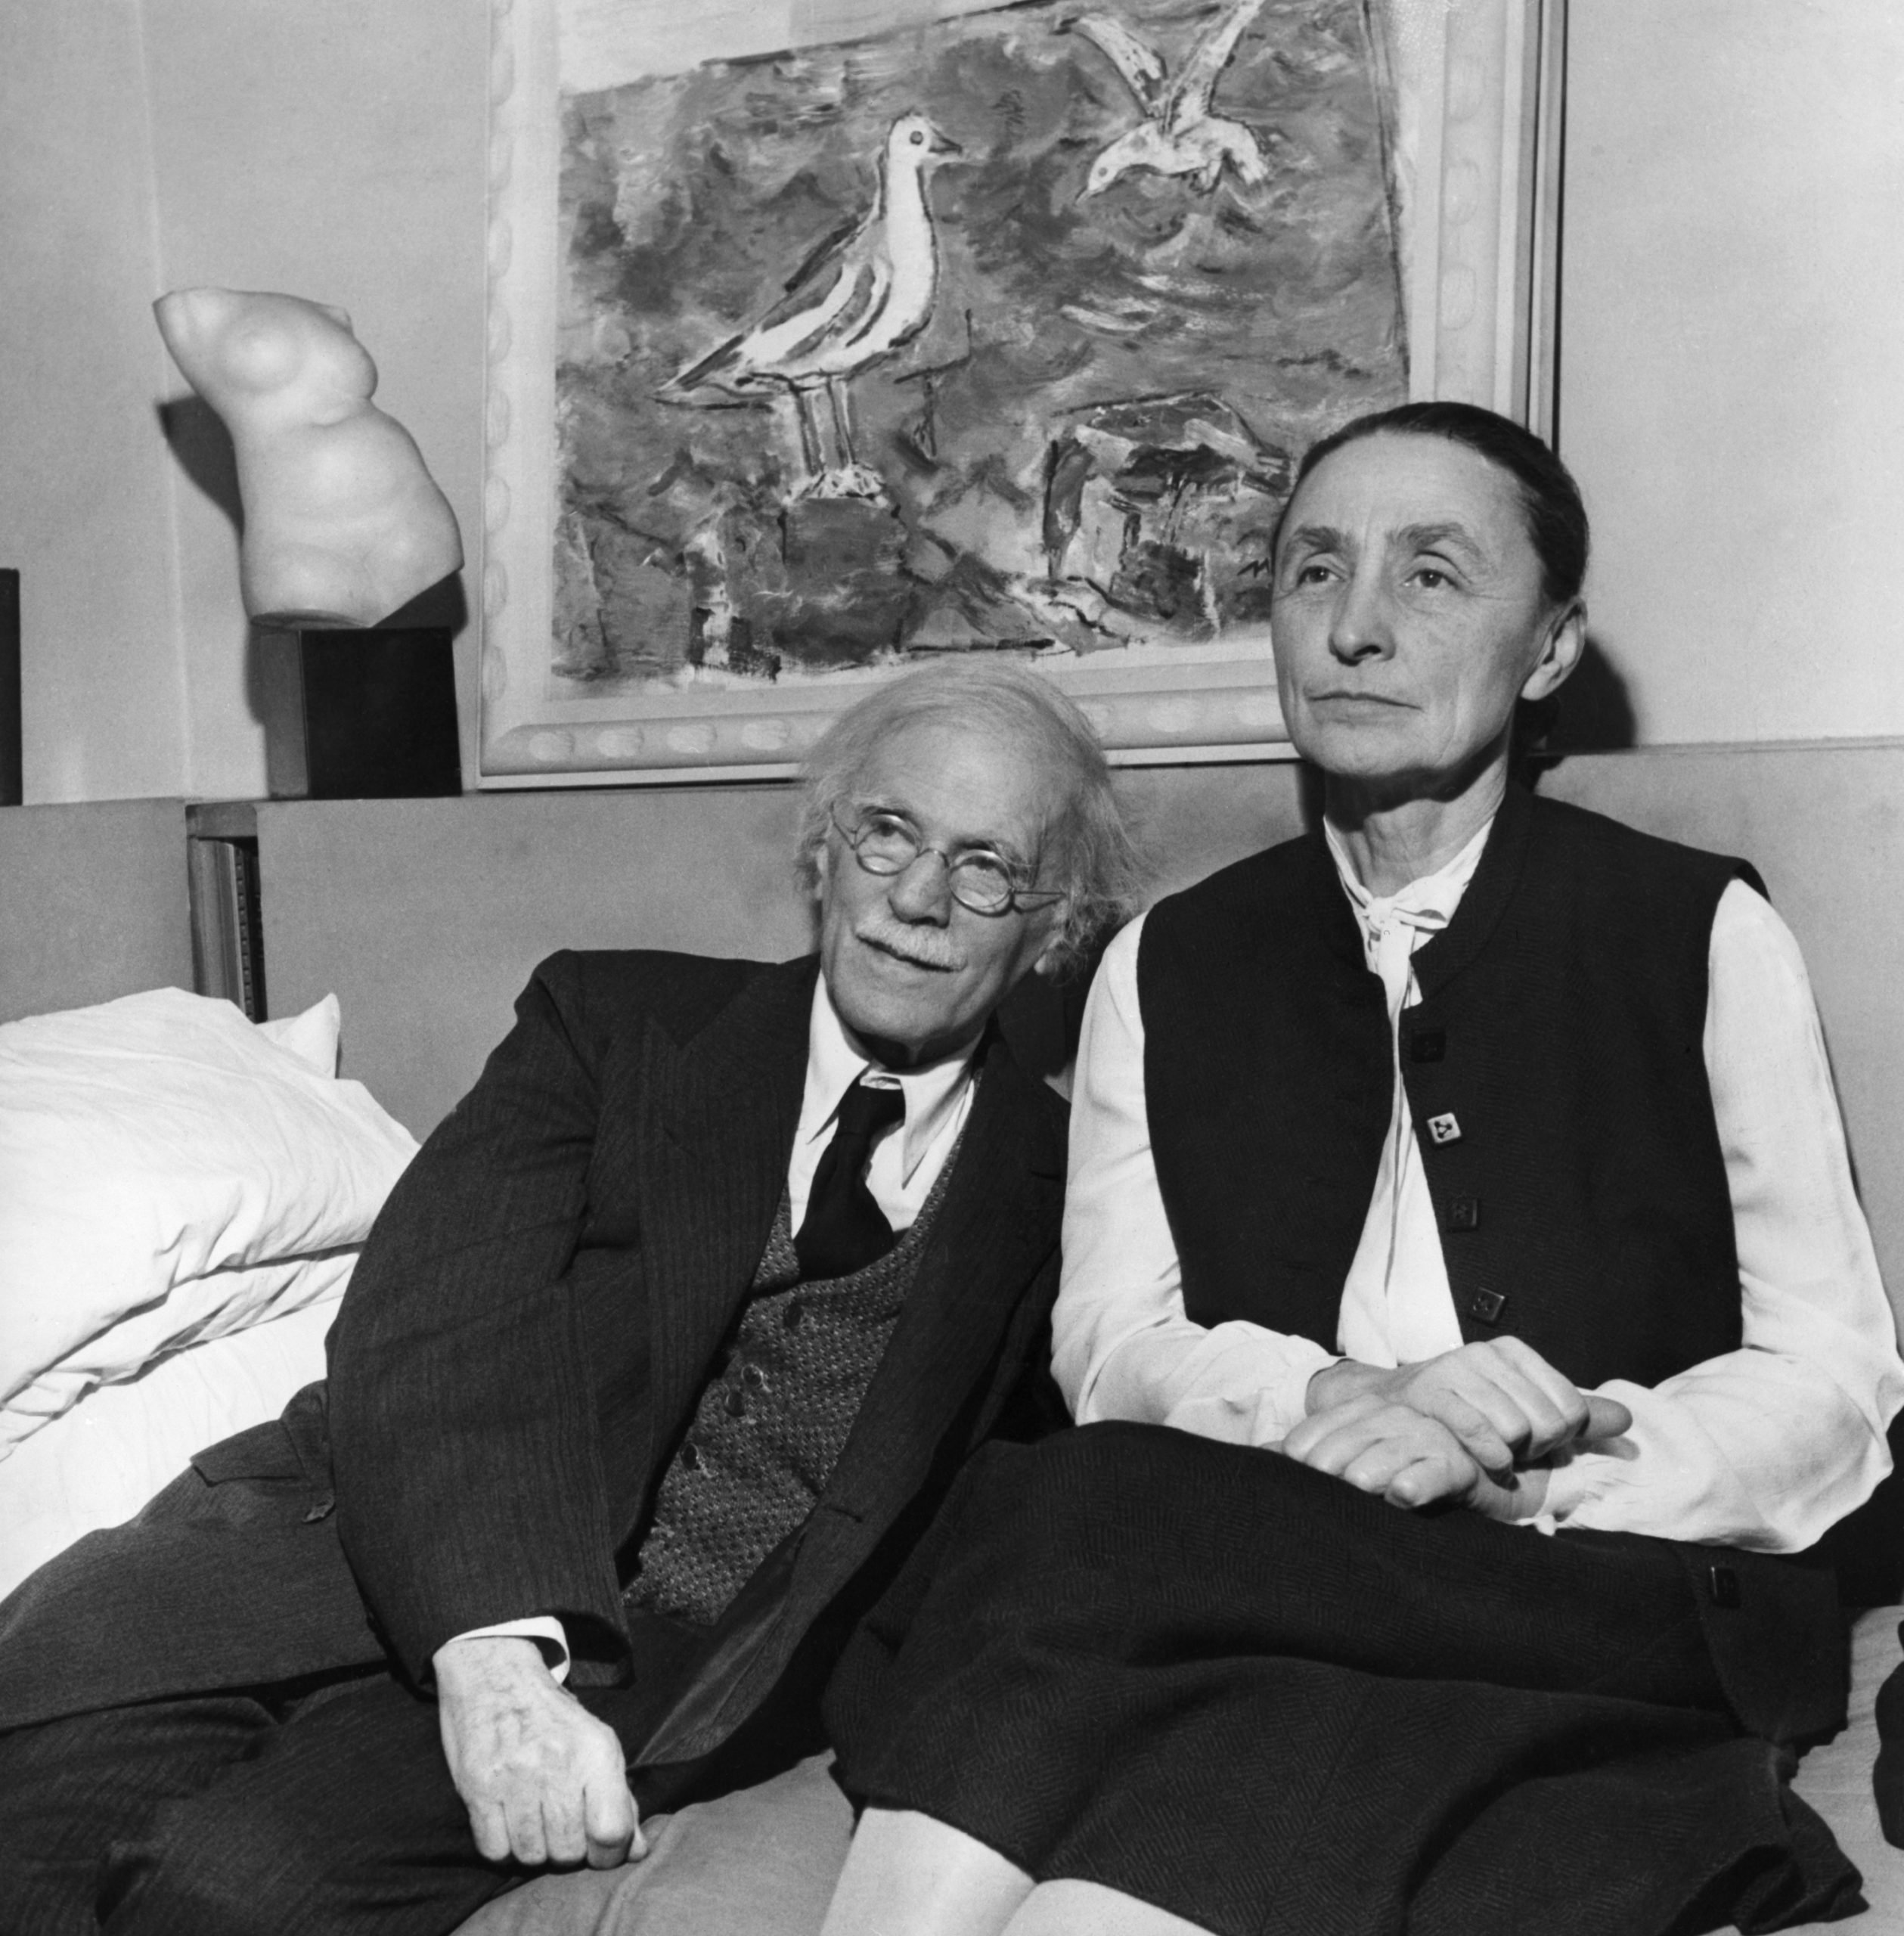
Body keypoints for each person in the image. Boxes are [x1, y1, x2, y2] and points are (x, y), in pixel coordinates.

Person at [816, 402, 1904, 1936]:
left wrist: (1547, 1448)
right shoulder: (1169, 961)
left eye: (1430, 578)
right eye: (1309, 573)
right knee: (1096, 1672)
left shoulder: (1695, 931)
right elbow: (1109, 1340)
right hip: (1271, 1560)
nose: (1353, 628)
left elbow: (1836, 1380)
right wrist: (1328, 1406)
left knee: (1071, 1528)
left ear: (1546, 649)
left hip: (1614, 1587)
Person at [0, 658, 1138, 1936]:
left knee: (232, 1890)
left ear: (1048, 928)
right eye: (889, 833)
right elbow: (434, 1319)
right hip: (321, 1555)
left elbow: (1055, 1511)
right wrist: (492, 1664)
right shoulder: (613, 1023)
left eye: (984, 866)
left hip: (640, 1673)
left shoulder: (1063, 1191)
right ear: (825, 848)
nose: (917, 899)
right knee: (33, 1814)